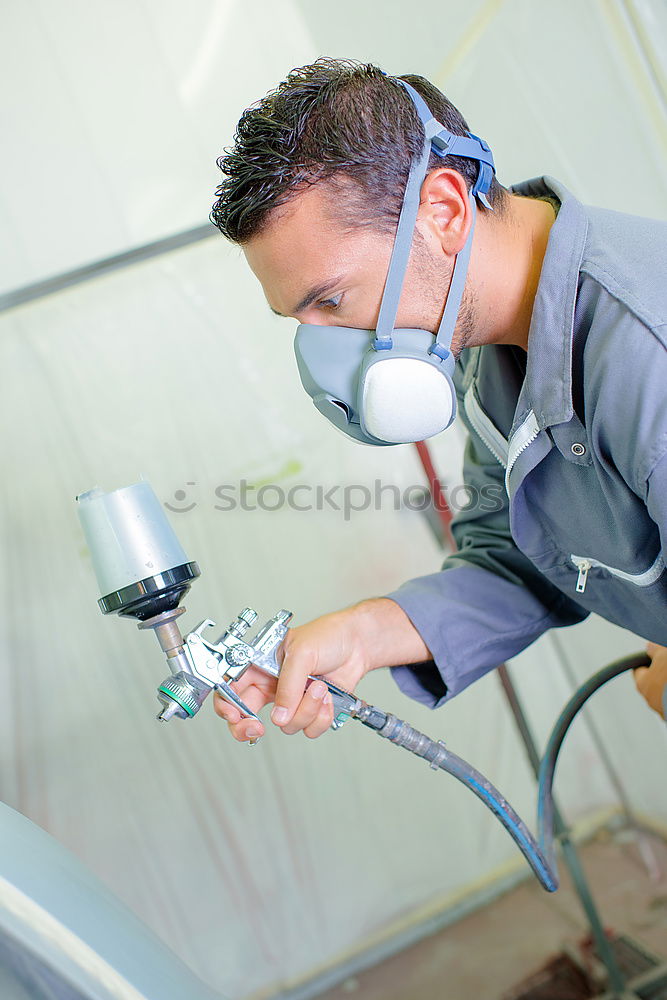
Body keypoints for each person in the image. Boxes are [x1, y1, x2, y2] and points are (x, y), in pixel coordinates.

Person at [208, 58, 667, 743]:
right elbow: (519, 555)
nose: (328, 353)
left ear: (444, 212)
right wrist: (362, 634)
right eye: (303, 323)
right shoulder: (485, 343)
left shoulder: (643, 348)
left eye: (332, 301)